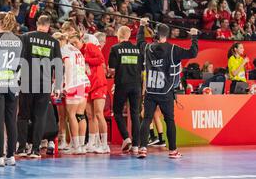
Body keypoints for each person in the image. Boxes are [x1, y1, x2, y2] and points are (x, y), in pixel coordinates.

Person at [137, 19, 199, 159]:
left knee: (147, 119)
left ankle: (142, 148)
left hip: (151, 91)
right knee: (169, 120)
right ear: (167, 35)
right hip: (166, 92)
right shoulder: (173, 49)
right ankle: (172, 150)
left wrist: (141, 26)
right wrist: (194, 36)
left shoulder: (148, 48)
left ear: (156, 34)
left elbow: (140, 41)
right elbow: (193, 53)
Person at [16, 15, 63, 158]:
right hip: (45, 83)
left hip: (26, 81)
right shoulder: (54, 42)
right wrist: (58, 86)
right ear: (48, 26)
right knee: (39, 116)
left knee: (23, 115)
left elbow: (18, 59)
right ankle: (36, 149)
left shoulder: (25, 37)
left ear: (37, 24)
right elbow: (58, 65)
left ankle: (21, 148)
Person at [0, 12, 23, 167]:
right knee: (11, 121)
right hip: (13, 84)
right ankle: (11, 156)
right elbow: (21, 63)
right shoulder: (19, 39)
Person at [108, 26, 143, 154]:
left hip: (122, 84)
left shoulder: (115, 48)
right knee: (135, 114)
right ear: (129, 35)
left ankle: (126, 138)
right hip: (136, 85)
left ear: (118, 35)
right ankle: (136, 145)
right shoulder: (138, 50)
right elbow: (142, 69)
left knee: (117, 112)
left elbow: (112, 70)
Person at [74, 32, 109, 154]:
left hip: (98, 83)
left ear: (81, 41)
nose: (74, 45)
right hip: (89, 85)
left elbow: (100, 59)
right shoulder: (76, 53)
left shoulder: (89, 46)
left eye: (75, 43)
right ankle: (92, 143)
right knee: (90, 115)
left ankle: (105, 145)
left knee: (99, 114)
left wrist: (85, 59)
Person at [59, 31, 91, 154]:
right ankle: (81, 146)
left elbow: (67, 65)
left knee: (71, 115)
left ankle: (76, 146)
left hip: (74, 83)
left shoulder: (65, 49)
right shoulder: (77, 51)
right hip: (83, 82)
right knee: (80, 115)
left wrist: (66, 85)